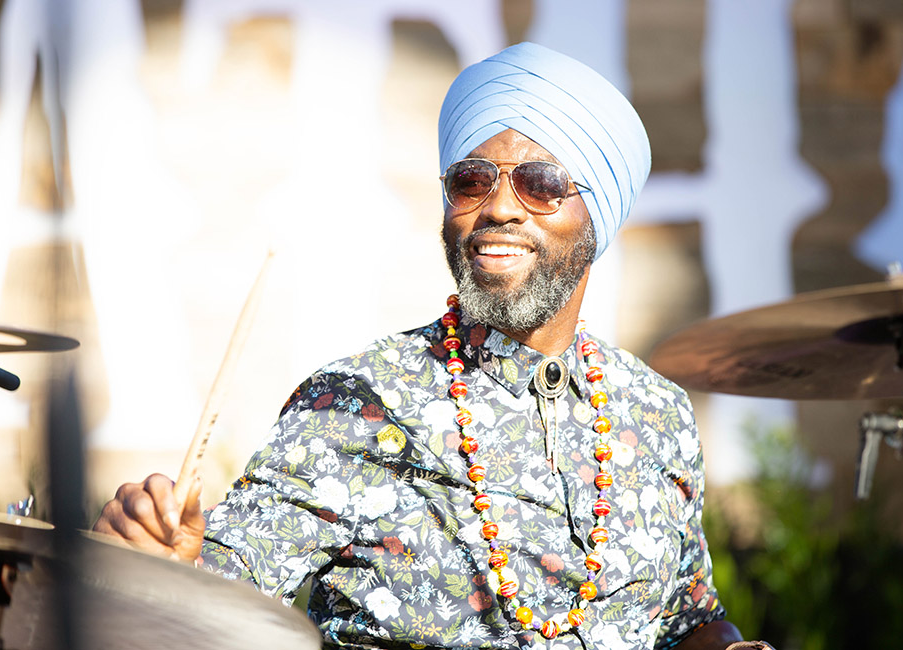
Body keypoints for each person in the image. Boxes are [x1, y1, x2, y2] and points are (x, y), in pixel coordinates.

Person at [94, 42, 773, 650]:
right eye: (471, 181)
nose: (499, 207)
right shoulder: (357, 404)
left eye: (541, 184)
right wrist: (165, 561)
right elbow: (219, 591)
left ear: (598, 216)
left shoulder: (656, 412)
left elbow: (687, 622)